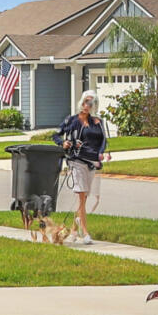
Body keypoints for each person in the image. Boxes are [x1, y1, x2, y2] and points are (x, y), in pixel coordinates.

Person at [53, 93, 109, 246]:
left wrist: (101, 153)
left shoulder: (98, 122)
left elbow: (103, 141)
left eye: (92, 103)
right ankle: (85, 233)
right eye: (86, 102)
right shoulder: (71, 120)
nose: (88, 105)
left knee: (83, 199)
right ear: (81, 103)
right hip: (77, 161)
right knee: (81, 195)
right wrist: (63, 143)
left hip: (92, 163)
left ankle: (73, 229)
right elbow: (56, 135)